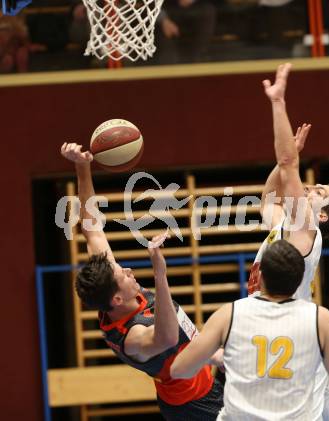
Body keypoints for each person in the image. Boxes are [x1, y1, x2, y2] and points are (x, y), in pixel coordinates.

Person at [60, 142, 224, 420]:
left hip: (207, 375)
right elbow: (168, 337)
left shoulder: (112, 290)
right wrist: (160, 273)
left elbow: (92, 229)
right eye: (122, 275)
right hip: (194, 407)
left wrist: (82, 166)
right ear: (116, 300)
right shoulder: (132, 338)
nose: (128, 271)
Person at [247, 63, 329, 421]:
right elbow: (268, 198)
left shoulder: (305, 230)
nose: (310, 189)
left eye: (319, 192)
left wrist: (279, 103)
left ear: (325, 215)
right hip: (282, 349)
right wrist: (284, 164)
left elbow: (287, 165)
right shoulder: (288, 225)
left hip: (294, 357)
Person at [171, 240, 329, 420]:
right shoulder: (320, 318)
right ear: (300, 279)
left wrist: (214, 356)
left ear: (259, 276)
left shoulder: (230, 313)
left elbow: (179, 370)